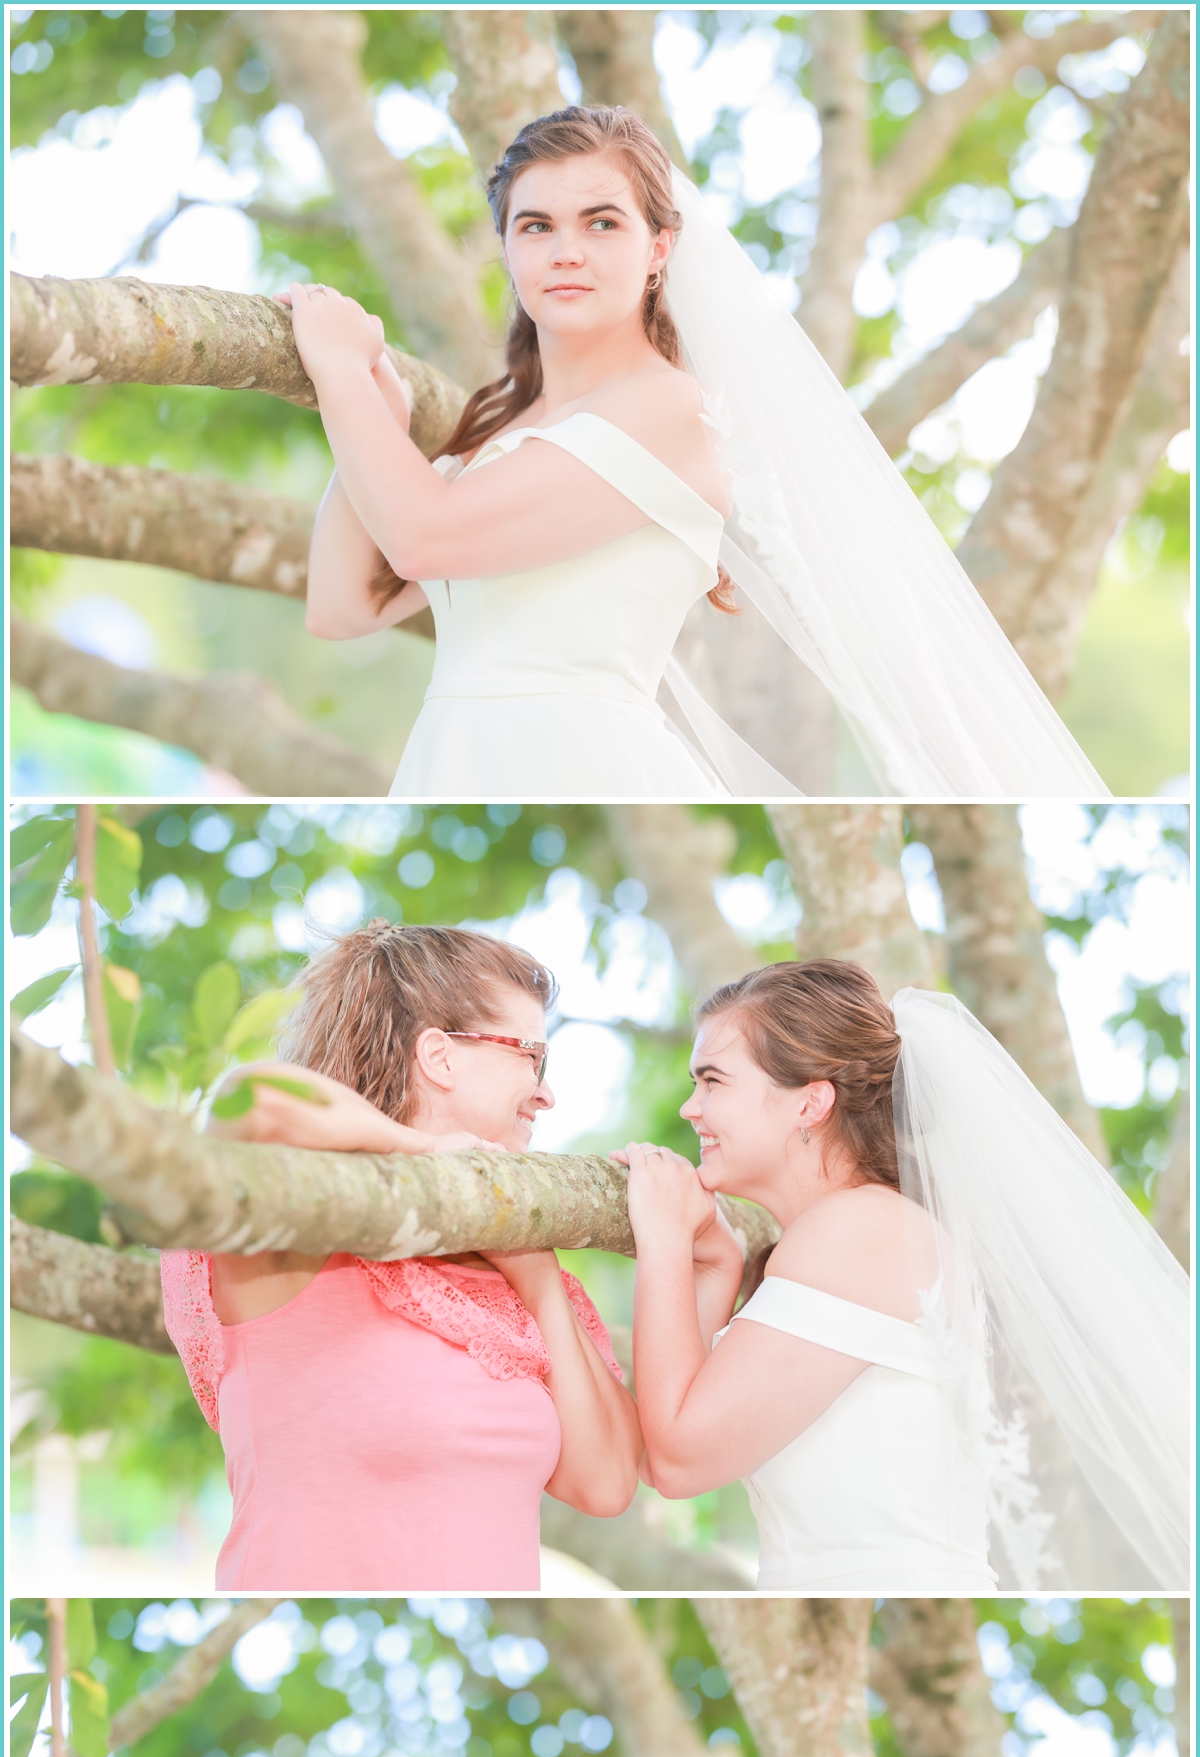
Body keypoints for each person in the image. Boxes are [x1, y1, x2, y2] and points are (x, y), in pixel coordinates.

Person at [282, 105, 1106, 801]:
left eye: (601, 222)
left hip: (574, 757)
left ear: (659, 250)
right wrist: (372, 410)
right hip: (455, 750)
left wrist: (339, 369)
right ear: (508, 247)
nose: (565, 250)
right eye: (536, 225)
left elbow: (425, 537)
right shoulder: (502, 426)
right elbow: (343, 608)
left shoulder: (664, 409)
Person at [616, 959, 1189, 1592]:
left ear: (810, 1101)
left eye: (713, 1080)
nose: (690, 1107)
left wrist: (662, 1239)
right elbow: (663, 1447)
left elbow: (677, 1459)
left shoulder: (862, 1229)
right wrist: (714, 1265)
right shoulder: (860, 1230)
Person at [161, 922, 641, 1589]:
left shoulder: (518, 1284)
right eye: (533, 1056)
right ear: (441, 1056)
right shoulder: (297, 1232)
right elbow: (249, 1100)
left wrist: (537, 1279)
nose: (546, 1092)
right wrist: (424, 1155)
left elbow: (607, 1482)